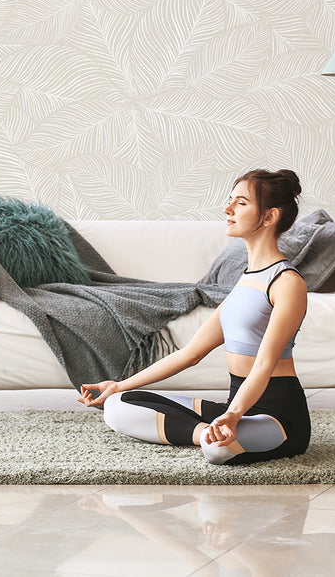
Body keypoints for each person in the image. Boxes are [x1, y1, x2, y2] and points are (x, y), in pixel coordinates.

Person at [79, 169, 310, 465]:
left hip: (277, 416)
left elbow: (264, 365)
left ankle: (213, 437)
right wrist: (120, 385)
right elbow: (190, 354)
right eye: (230, 201)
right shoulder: (246, 281)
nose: (227, 209)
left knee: (216, 451)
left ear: (269, 217)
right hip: (235, 406)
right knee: (117, 405)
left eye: (240, 203)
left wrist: (233, 414)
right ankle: (208, 433)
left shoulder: (287, 282)